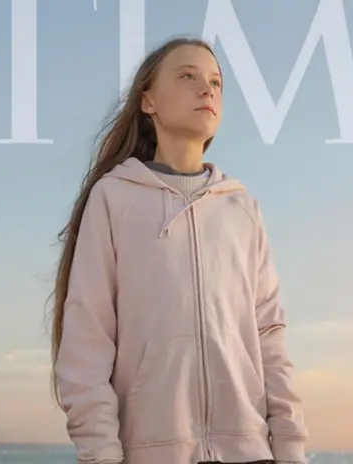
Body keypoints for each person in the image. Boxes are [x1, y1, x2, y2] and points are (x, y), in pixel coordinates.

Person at [48, 37, 308, 464]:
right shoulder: (114, 198)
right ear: (147, 100)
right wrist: (100, 453)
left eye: (215, 83)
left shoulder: (241, 207)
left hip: (250, 452)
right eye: (187, 77)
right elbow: (87, 336)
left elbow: (269, 337)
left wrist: (291, 448)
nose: (206, 90)